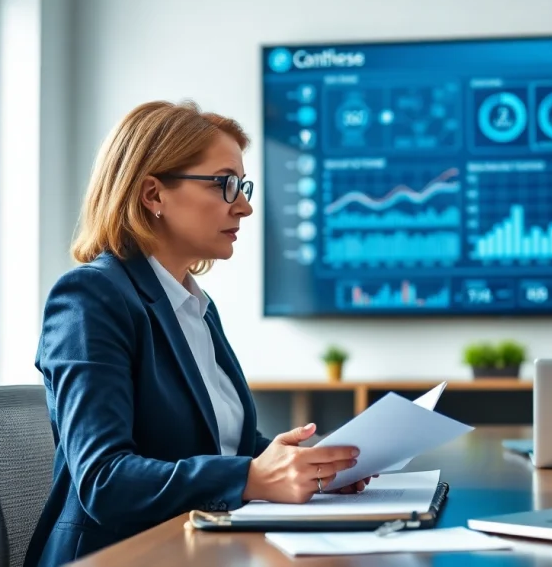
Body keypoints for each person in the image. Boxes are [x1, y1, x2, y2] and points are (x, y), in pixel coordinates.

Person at [24, 100, 370, 567]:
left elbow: (224, 445)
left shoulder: (193, 305)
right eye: (226, 185)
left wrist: (310, 467)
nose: (245, 206)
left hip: (199, 543)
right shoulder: (91, 297)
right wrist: (250, 476)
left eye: (242, 186)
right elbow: (104, 480)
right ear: (153, 195)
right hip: (122, 556)